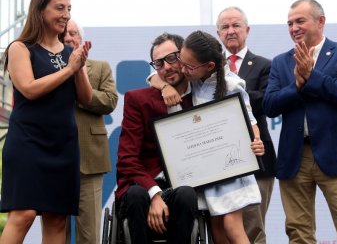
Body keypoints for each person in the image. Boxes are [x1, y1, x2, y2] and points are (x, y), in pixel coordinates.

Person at [263, 0, 337, 243]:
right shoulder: (281, 61)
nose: (294, 28)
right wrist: (297, 86)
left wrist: (312, 75)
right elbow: (270, 105)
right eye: (289, 23)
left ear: (321, 21)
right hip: (294, 158)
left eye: (300, 21)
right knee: (298, 233)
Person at [0, 0, 92, 244]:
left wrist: (79, 65)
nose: (65, 14)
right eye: (59, 8)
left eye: (69, 9)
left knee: (56, 218)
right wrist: (69, 69)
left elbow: (85, 99)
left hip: (63, 143)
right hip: (28, 141)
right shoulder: (20, 48)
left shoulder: (69, 53)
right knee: (24, 214)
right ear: (40, 10)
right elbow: (29, 89)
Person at [177, 30, 265, 244]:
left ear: (209, 66)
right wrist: (163, 87)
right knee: (216, 229)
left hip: (232, 168)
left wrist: (256, 141)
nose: (182, 68)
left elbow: (250, 119)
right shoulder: (191, 79)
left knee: (232, 226)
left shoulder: (231, 84)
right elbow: (155, 77)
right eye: (181, 60)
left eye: (189, 66)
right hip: (208, 171)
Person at [115, 32, 198, 244]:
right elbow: (127, 160)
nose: (167, 67)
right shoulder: (137, 100)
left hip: (181, 186)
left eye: (172, 58)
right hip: (142, 186)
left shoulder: (201, 96)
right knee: (136, 195)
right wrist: (154, 194)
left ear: (185, 57)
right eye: (159, 63)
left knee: (187, 194)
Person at [216, 6, 276, 244]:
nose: (231, 31)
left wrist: (229, 95)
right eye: (225, 27)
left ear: (247, 30)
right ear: (218, 33)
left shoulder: (264, 65)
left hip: (258, 157)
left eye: (236, 25)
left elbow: (265, 101)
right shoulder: (210, 67)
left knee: (253, 229)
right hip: (219, 161)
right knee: (220, 230)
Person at [64, 19, 118, 244]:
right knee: (57, 229)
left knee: (89, 233)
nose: (68, 38)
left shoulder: (100, 67)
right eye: (63, 34)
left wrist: (83, 94)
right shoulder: (45, 67)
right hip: (54, 156)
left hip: (90, 157)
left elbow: (110, 100)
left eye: (73, 33)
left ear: (81, 39)